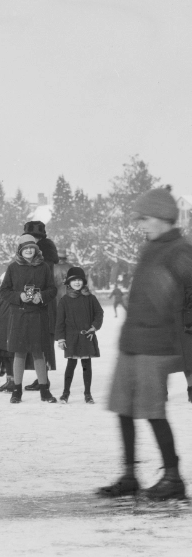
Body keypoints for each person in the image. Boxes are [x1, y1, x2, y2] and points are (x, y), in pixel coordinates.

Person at [99, 187, 192, 501]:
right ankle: (129, 475)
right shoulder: (148, 248)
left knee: (152, 411)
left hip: (158, 345)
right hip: (132, 341)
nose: (140, 224)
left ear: (165, 218)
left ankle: (173, 477)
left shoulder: (181, 250)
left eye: (145, 218)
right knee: (123, 408)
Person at [0, 234, 58, 403]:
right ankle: (16, 391)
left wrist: (42, 296)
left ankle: (44, 390)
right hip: (19, 316)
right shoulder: (12, 268)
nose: (29, 251)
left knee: (39, 353)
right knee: (19, 353)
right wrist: (19, 296)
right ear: (20, 251)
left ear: (36, 249)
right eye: (25, 248)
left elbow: (52, 290)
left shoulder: (44, 267)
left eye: (32, 247)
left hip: (39, 315)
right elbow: (4, 291)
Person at [55, 267, 104, 404]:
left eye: (79, 280)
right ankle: (65, 393)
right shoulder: (64, 300)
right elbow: (59, 321)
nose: (77, 283)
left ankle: (87, 394)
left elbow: (99, 313)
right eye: (74, 280)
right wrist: (60, 338)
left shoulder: (90, 298)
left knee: (86, 365)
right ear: (68, 283)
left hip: (86, 336)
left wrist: (94, 327)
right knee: (71, 365)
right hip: (71, 338)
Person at [23, 221, 59, 390]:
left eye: (34, 237)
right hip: (44, 301)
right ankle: (41, 377)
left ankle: (43, 379)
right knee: (40, 342)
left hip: (44, 303)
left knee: (43, 341)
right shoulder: (44, 256)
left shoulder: (44, 259)